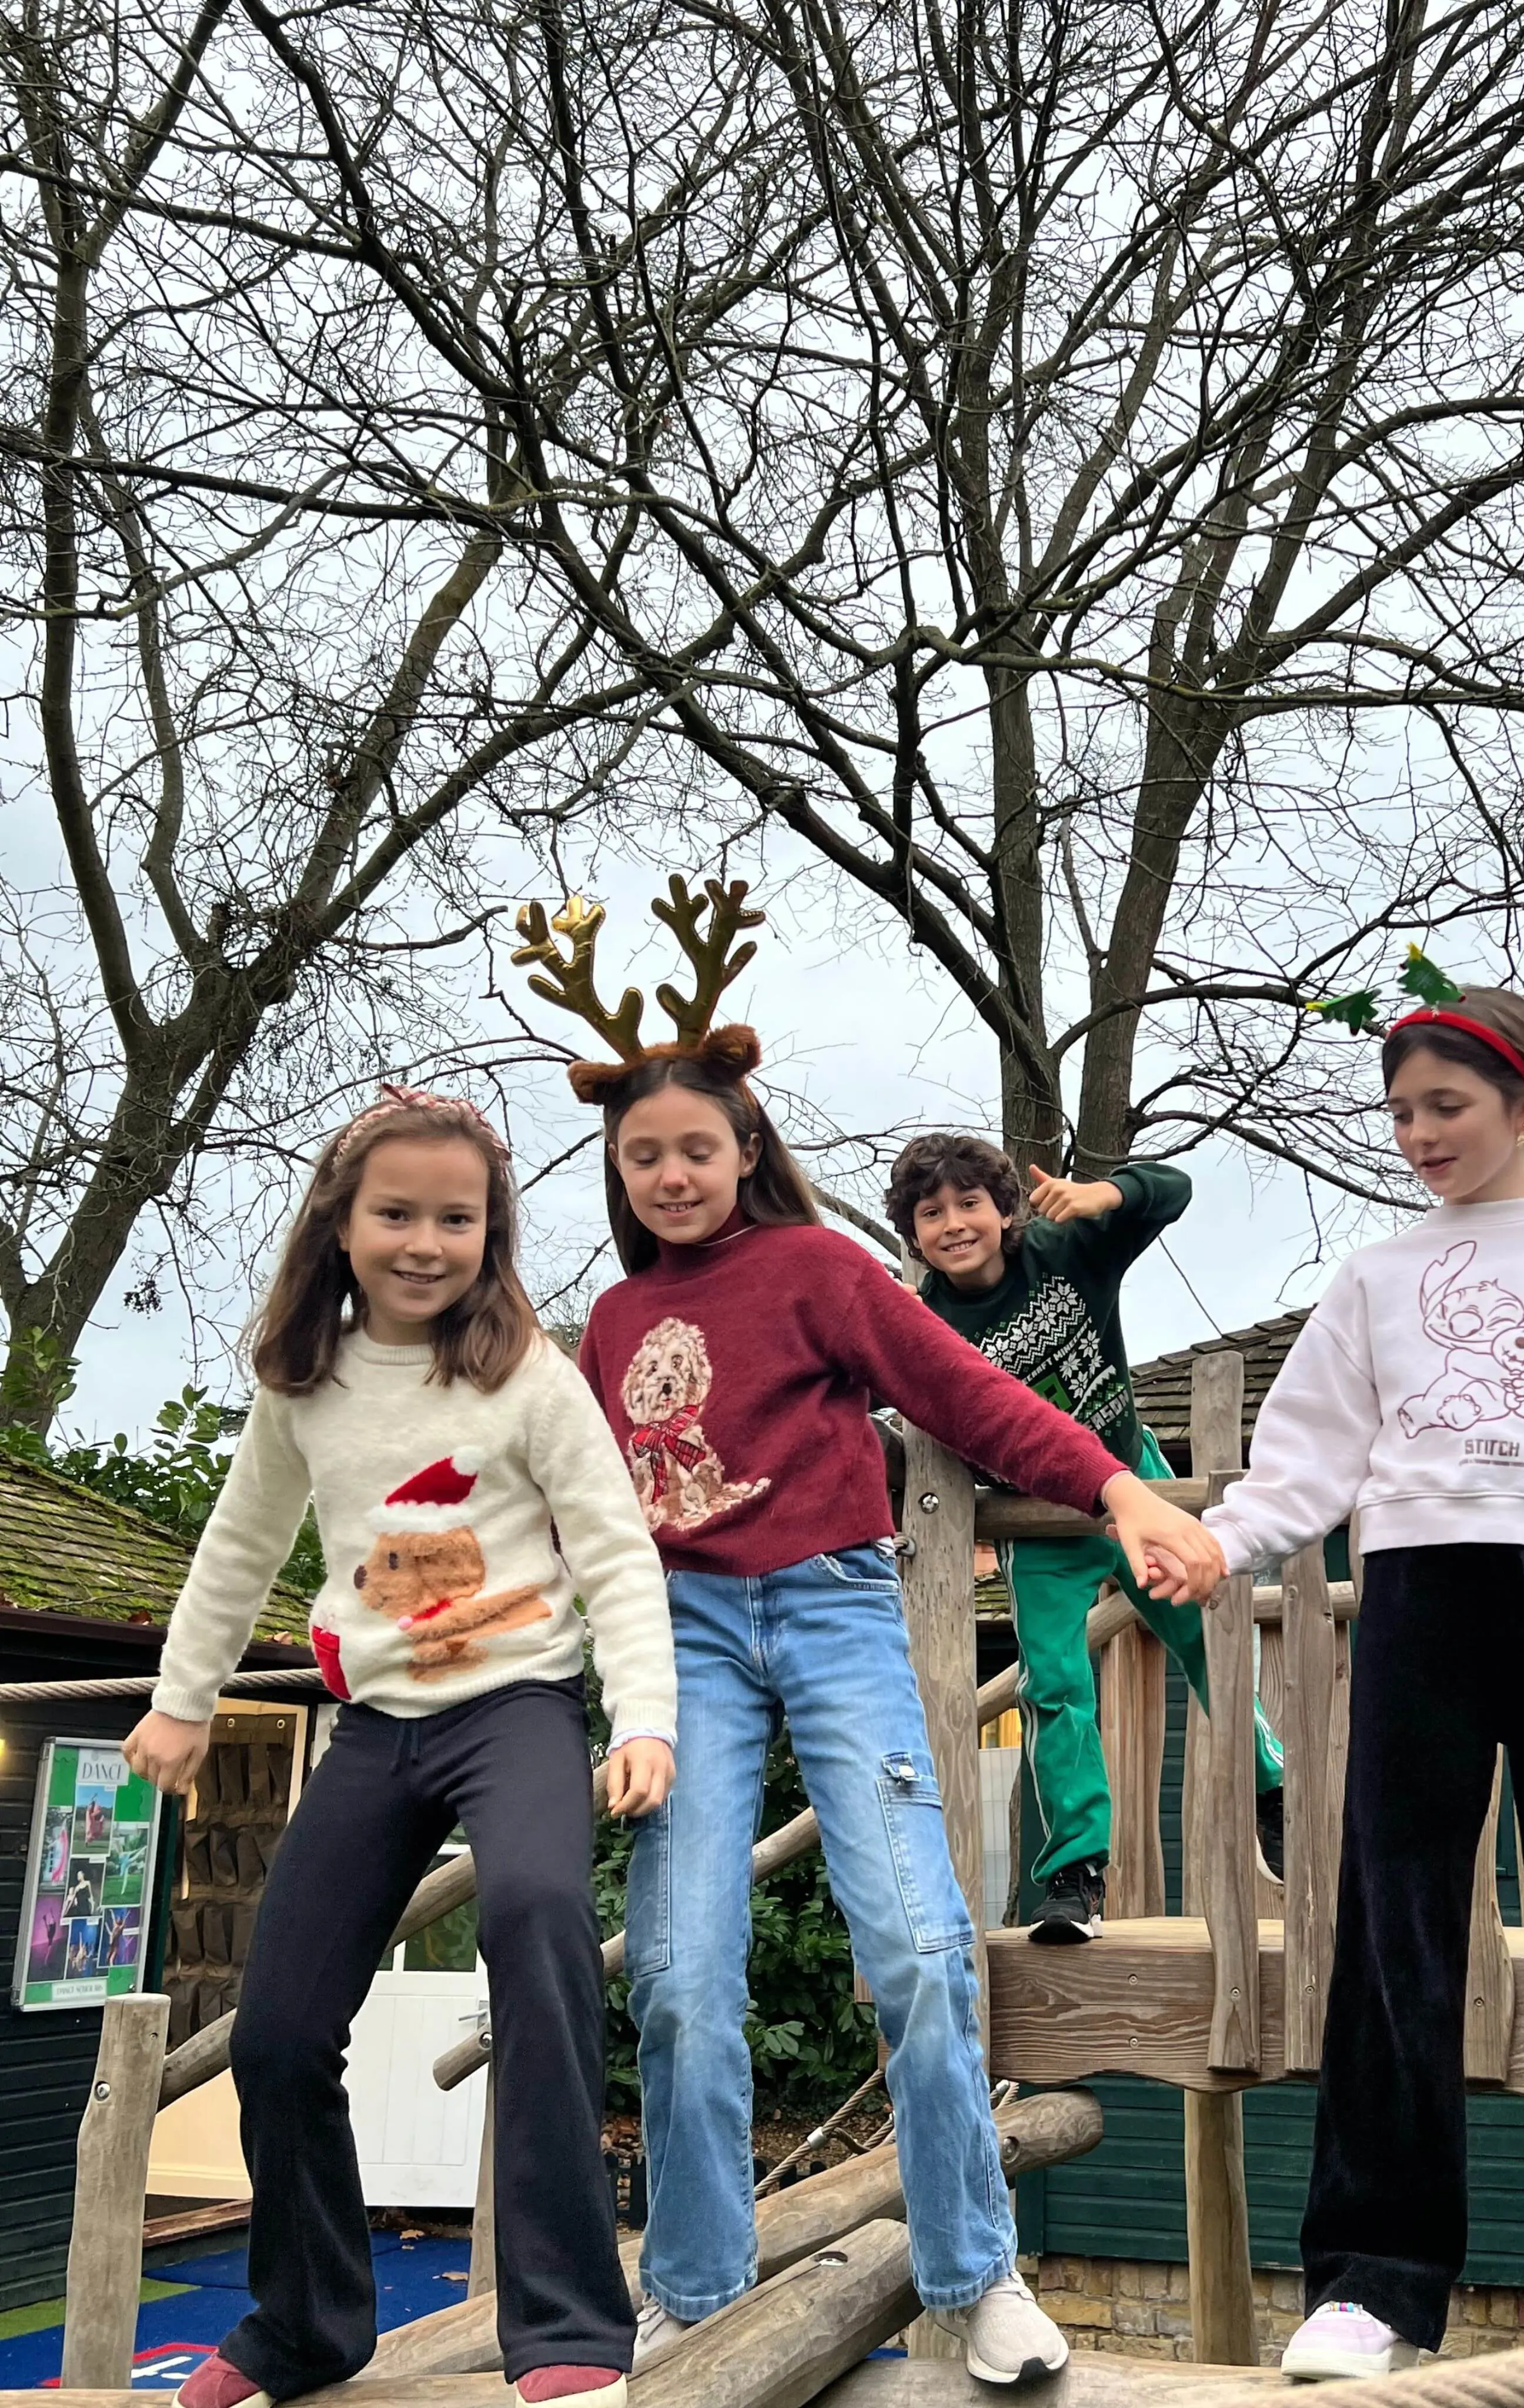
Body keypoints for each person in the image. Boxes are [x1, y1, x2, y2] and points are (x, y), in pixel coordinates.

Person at [513, 878, 1223, 2387]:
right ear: (617, 1169)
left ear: (745, 1146)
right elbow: (579, 1505)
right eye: (642, 1155)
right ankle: (695, 2284)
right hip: (683, 1639)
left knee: (911, 1941)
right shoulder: (615, 1323)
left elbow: (966, 1394)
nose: (671, 1173)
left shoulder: (823, 1269)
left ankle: (973, 2272)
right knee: (681, 1972)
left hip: (833, 1606)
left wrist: (1114, 1486)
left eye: (697, 1146)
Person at [122, 1086, 678, 2408]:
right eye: (397, 1215)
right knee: (276, 2028)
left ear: (491, 1234)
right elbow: (239, 1546)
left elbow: (615, 1550)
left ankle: (567, 2324)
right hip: (377, 1726)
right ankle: (305, 2324)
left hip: (515, 1707)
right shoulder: (304, 1383)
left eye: (456, 1220)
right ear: (342, 1222)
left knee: (539, 1921)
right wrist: (183, 1699)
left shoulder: (526, 1375)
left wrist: (643, 1715)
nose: (426, 1243)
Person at [1198, 986, 1524, 2378]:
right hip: (1418, 1604)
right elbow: (1303, 1457)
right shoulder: (1377, 1277)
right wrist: (1217, 1542)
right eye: (1400, 1112)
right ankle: (1373, 2282)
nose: (1419, 1133)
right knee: (1396, 1925)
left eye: (1447, 1106)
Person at [884, 1133, 1286, 1940]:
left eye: (969, 1204)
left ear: (1006, 1211)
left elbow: (1172, 1189)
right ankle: (1075, 1873)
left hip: (1135, 1487)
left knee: (1200, 1636)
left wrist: (1108, 1194)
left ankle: (1272, 1793)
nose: (954, 1224)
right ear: (915, 1236)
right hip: (1038, 1521)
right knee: (1055, 1683)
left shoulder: (1063, 1253)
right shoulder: (926, 1329)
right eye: (932, 1214)